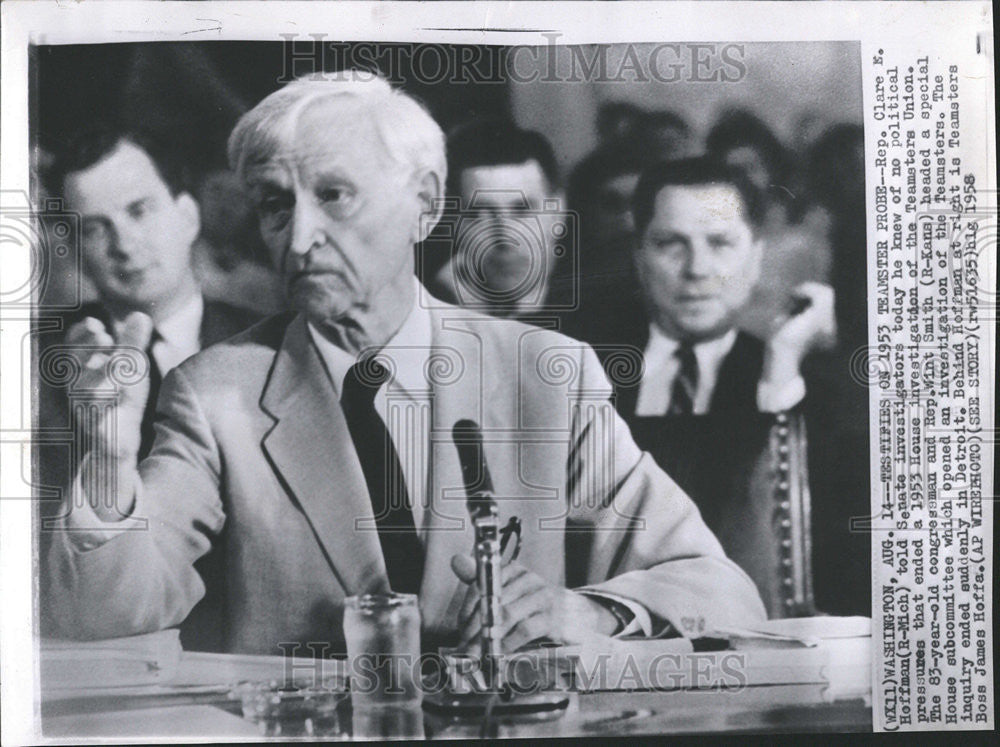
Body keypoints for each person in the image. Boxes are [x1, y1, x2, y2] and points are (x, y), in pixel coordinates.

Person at [46, 75, 765, 656]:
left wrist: (583, 612)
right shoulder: (215, 394)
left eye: (333, 195)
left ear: (424, 204)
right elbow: (100, 613)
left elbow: (720, 589)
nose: (298, 238)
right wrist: (108, 460)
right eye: (274, 204)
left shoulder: (546, 376)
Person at [36, 127, 263, 640]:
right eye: (95, 228)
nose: (124, 245)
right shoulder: (36, 370)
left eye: (139, 211)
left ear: (188, 215)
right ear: (72, 246)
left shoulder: (269, 345)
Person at [613, 156, 865, 617]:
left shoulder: (796, 381)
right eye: (671, 244)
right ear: (638, 256)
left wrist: (781, 371)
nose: (697, 269)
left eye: (720, 244)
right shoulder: (587, 371)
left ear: (756, 257)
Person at [422, 118, 567, 320]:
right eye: (480, 215)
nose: (505, 238)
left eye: (522, 211)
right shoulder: (427, 307)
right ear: (454, 221)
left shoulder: (603, 301)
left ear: (558, 212)